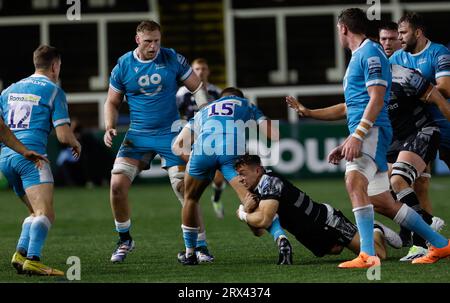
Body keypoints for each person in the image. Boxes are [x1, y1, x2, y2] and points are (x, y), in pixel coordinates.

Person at [286, 8, 450, 267]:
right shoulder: (359, 55)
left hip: (374, 131)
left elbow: (376, 98)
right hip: (368, 132)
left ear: (343, 29)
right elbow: (355, 104)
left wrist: (358, 135)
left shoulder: (370, 53)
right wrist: (347, 138)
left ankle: (367, 255)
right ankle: (440, 244)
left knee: (354, 182)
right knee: (382, 201)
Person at [103, 20, 214, 263]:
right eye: (148, 42)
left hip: (171, 133)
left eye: (157, 41)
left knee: (185, 188)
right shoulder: (123, 65)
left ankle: (202, 246)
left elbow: (197, 88)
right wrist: (110, 126)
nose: (154, 46)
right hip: (138, 134)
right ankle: (124, 240)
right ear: (137, 40)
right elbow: (112, 101)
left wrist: (205, 114)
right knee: (116, 186)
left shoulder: (172, 58)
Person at [173, 87, 291, 265]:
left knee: (190, 199)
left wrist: (196, 161)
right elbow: (274, 135)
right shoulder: (246, 104)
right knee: (251, 199)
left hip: (203, 150)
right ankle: (280, 238)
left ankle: (190, 253)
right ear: (239, 97)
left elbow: (178, 145)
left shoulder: (204, 110)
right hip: (232, 151)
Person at [0, 45, 81, 276]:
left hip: (6, 158)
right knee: (46, 214)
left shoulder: (9, 91)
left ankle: (21, 254)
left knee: (36, 213)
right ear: (55, 66)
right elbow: (64, 136)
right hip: (32, 158)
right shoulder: (54, 90)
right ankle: (34, 260)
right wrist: (76, 143)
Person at [234, 154, 402, 262]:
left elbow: (264, 220)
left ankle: (375, 229)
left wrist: (242, 213)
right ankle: (365, 233)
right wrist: (248, 212)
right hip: (306, 232)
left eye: (242, 173)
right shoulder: (255, 191)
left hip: (326, 221)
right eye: (238, 174)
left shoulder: (270, 182)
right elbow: (258, 231)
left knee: (377, 256)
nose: (240, 179)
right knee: (335, 250)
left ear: (257, 170)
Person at [390, 12, 450, 259]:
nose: (399, 38)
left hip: (443, 125)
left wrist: (414, 88)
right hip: (418, 129)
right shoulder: (397, 57)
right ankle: (427, 241)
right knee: (416, 183)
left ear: (418, 32)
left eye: (403, 33)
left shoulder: (438, 53)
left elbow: (445, 88)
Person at [176, 58, 225, 219]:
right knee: (188, 178)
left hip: (211, 136)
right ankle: (191, 205)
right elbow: (175, 112)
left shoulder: (216, 92)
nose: (200, 72)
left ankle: (216, 198)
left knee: (218, 179)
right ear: (192, 71)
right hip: (191, 135)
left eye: (203, 69)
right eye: (197, 69)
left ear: (208, 71)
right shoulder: (183, 92)